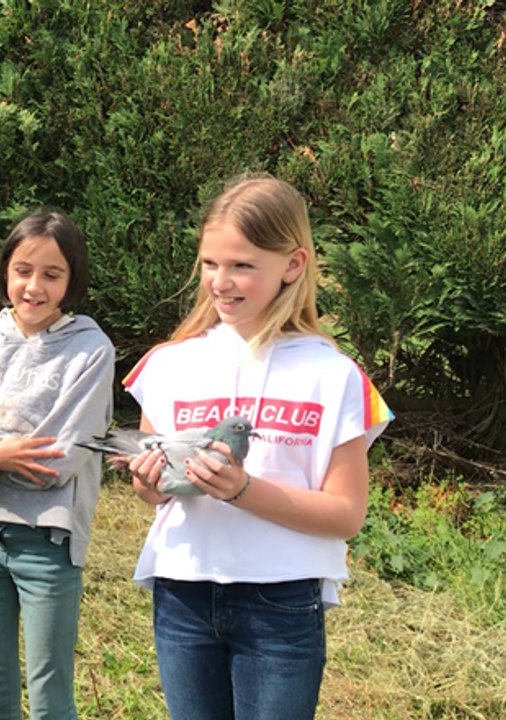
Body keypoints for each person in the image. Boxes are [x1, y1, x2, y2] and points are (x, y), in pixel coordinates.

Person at [122, 174, 393, 720]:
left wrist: (243, 490)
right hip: (182, 592)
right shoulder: (168, 363)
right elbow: (152, 494)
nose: (221, 282)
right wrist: (147, 483)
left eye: (242, 265)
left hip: (281, 602)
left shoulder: (334, 375)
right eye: (209, 264)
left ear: (292, 265)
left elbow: (345, 514)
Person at [0, 211, 114, 720]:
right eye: (23, 270)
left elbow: (58, 461)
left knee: (49, 695)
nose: (34, 286)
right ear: (5, 271)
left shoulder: (91, 350)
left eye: (52, 274)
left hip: (47, 540)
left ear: (73, 279)